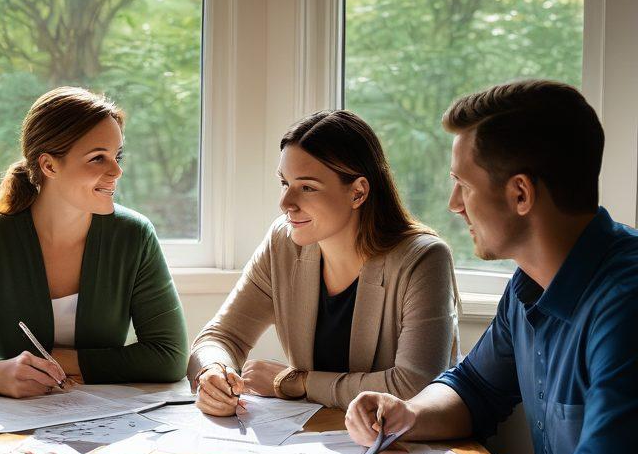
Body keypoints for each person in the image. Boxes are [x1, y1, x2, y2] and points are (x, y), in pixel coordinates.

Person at [326, 80, 638, 454]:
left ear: (520, 194)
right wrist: (407, 413)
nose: (452, 205)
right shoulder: (529, 284)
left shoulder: (627, 305)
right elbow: (475, 387)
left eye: (461, 185)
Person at [0, 87, 188, 397]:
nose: (117, 171)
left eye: (117, 156)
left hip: (102, 427)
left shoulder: (135, 236)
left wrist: (68, 360)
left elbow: (169, 357)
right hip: (5, 435)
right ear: (49, 166)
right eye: (97, 159)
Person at [189, 110, 458, 415]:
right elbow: (221, 336)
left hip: (409, 447)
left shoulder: (423, 258)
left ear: (358, 192)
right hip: (319, 438)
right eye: (284, 182)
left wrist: (295, 382)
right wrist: (212, 372)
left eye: (307, 187)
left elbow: (415, 386)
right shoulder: (283, 241)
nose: (285, 203)